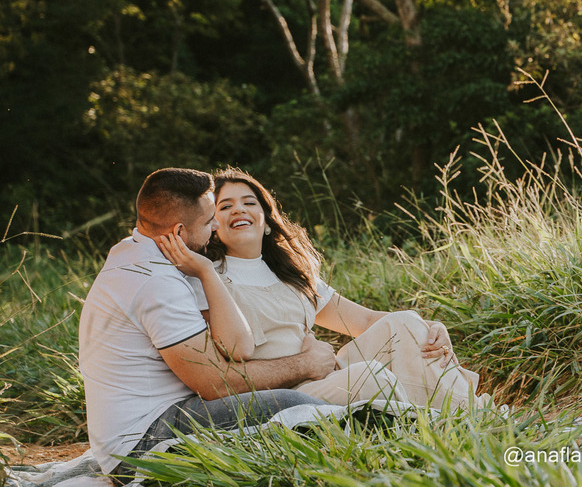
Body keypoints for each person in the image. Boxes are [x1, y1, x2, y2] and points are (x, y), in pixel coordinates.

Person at [155, 167, 484, 413]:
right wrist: (305, 362)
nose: (238, 209)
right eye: (225, 206)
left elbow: (364, 321)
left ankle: (469, 411)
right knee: (371, 376)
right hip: (286, 392)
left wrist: (429, 327)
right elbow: (225, 359)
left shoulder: (291, 274)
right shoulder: (206, 276)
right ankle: (460, 418)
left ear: (266, 219)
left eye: (249, 202)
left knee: (405, 322)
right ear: (213, 225)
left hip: (327, 374)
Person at [78, 168, 338, 479]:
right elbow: (218, 384)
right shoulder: (157, 283)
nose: (215, 227)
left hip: (145, 427)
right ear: (178, 231)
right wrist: (306, 364)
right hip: (143, 445)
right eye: (208, 221)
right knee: (297, 406)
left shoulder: (132, 249)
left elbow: (238, 348)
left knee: (298, 407)